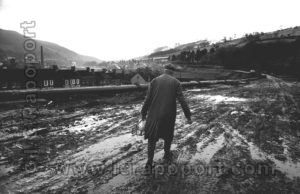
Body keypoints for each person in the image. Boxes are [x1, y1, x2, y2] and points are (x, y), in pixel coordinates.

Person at [141, 63, 192, 171]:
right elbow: (182, 100)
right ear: (173, 72)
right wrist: (188, 115)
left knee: (152, 139)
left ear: (164, 70)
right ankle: (166, 154)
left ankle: (149, 161)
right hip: (168, 115)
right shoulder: (176, 82)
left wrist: (143, 113)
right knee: (168, 135)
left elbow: (148, 99)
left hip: (153, 114)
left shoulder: (154, 81)